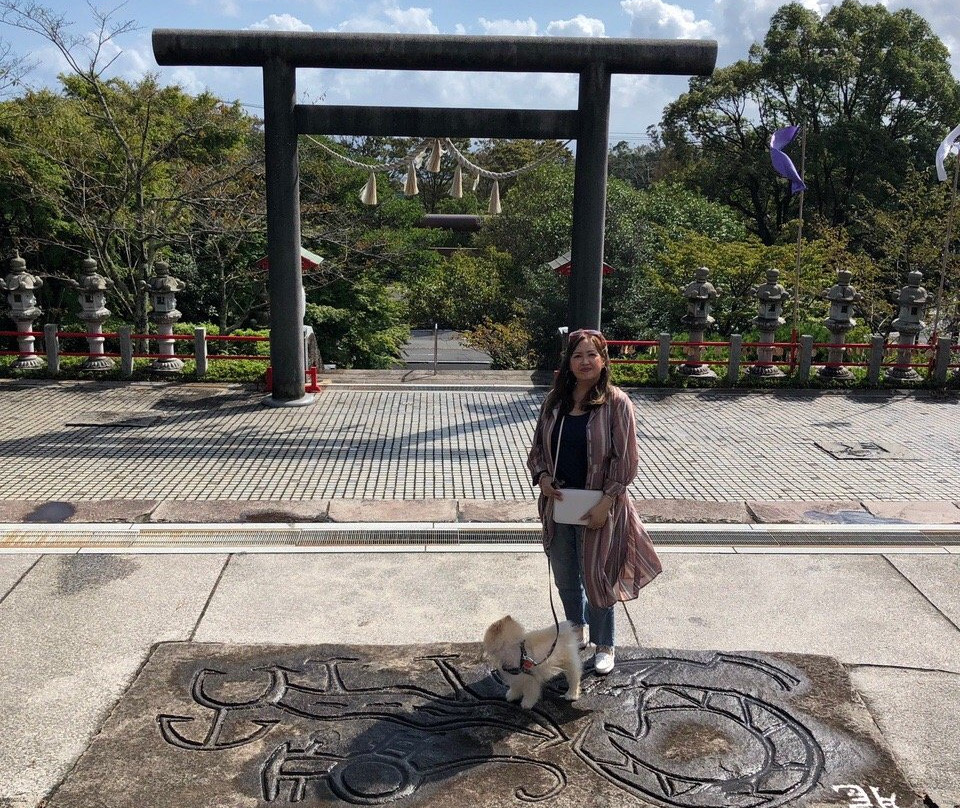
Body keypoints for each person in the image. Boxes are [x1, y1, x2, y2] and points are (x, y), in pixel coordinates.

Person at [527, 328, 661, 675]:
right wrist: (542, 479)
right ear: (568, 362)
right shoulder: (555, 402)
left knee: (598, 576)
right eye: (577, 355)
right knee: (566, 576)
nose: (585, 362)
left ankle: (605, 643)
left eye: (591, 355)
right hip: (559, 505)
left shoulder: (616, 403)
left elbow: (626, 458)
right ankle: (575, 630)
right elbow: (538, 450)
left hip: (601, 506)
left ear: (603, 360)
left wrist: (607, 501)